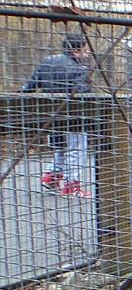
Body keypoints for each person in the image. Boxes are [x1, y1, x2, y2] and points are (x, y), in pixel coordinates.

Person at [24, 32, 93, 197]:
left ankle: (52, 176)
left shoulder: (47, 62)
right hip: (73, 117)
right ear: (76, 51)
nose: (87, 54)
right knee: (76, 148)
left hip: (51, 117)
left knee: (60, 147)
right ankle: (71, 184)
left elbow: (29, 87)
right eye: (85, 50)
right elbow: (84, 94)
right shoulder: (80, 70)